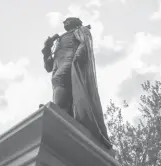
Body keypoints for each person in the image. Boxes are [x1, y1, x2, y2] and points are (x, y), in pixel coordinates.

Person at [42, 17, 112, 149]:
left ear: (76, 22)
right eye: (64, 21)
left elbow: (84, 43)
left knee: (59, 80)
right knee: (58, 82)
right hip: (58, 65)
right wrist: (47, 48)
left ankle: (56, 111)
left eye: (68, 20)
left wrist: (77, 57)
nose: (65, 22)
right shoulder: (58, 40)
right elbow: (48, 67)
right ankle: (62, 113)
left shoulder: (81, 30)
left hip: (71, 61)